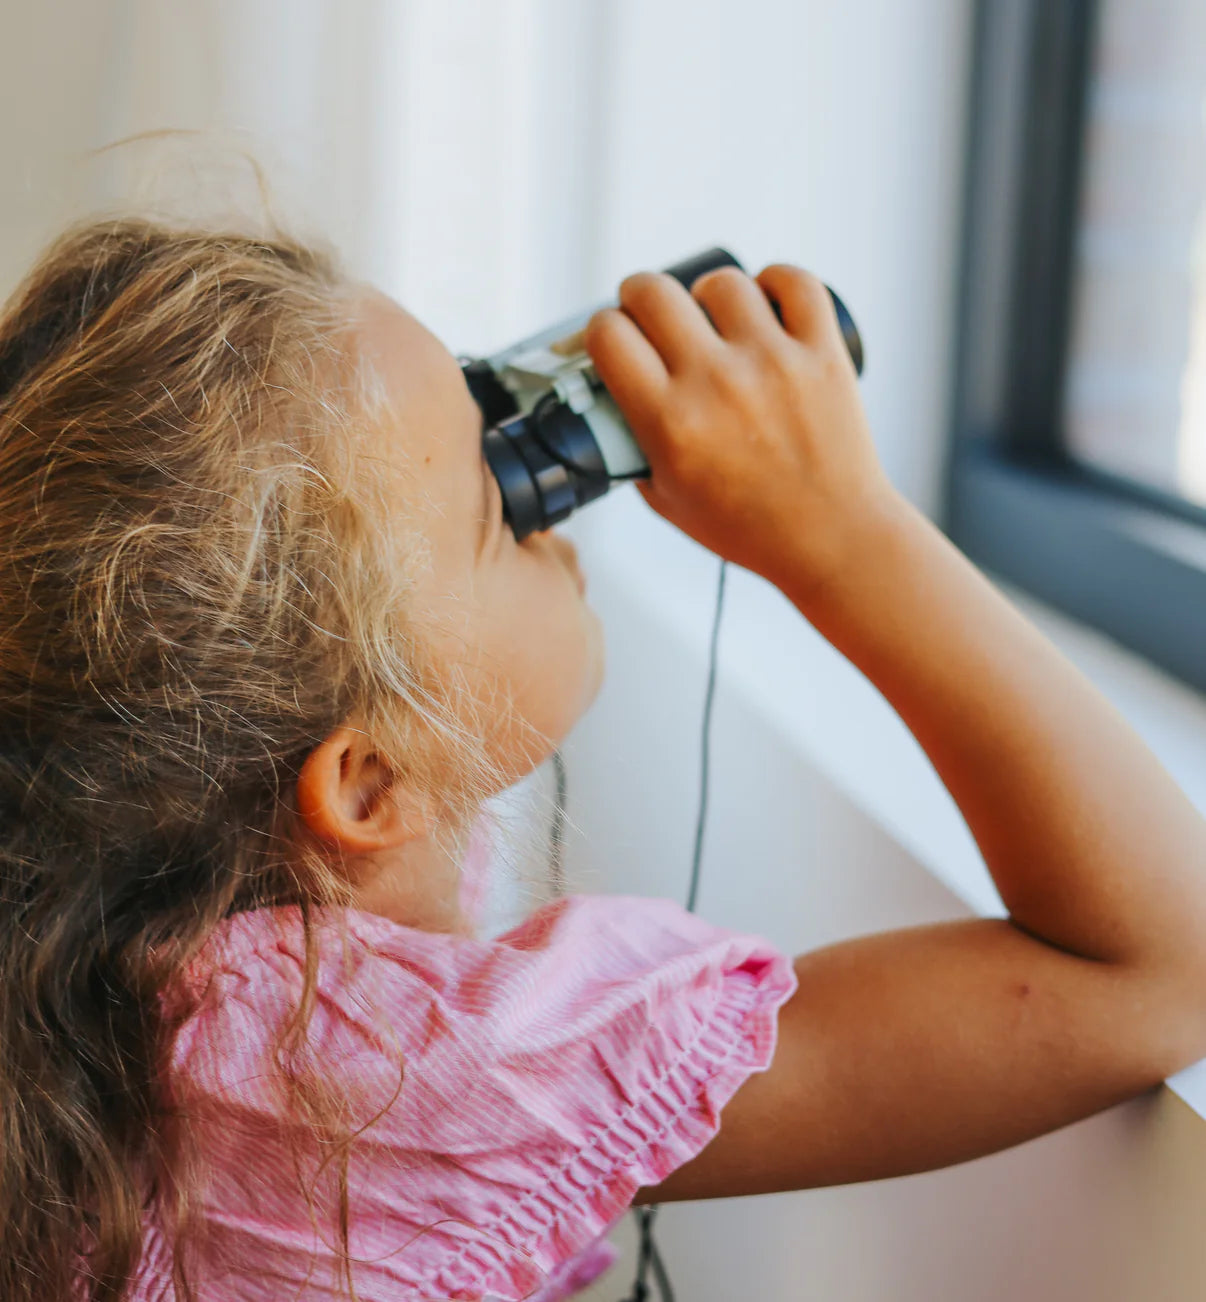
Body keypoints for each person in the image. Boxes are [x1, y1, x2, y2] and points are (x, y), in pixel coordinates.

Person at [1, 214, 1204, 1302]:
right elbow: (1164, 966)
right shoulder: (387, 1082)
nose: (549, 497)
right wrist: (844, 535)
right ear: (368, 785)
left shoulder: (88, 971)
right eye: (496, 493)